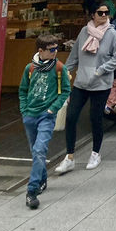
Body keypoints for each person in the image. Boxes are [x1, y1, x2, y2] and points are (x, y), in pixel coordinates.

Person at [55, 0, 116, 174]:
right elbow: (74, 56)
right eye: (100, 13)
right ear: (92, 14)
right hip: (81, 82)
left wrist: (101, 70)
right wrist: (61, 72)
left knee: (95, 118)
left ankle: (95, 153)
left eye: (106, 13)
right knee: (71, 117)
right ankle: (69, 156)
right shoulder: (84, 32)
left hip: (101, 83)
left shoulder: (111, 34)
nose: (104, 16)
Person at [19, 34, 71, 209]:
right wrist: (24, 110)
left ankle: (31, 190)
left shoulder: (59, 68)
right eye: (52, 50)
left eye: (56, 48)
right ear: (40, 51)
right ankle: (42, 180)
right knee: (36, 152)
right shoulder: (30, 68)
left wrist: (52, 109)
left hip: (46, 116)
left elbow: (65, 90)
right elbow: (23, 90)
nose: (55, 52)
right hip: (30, 115)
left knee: (40, 150)